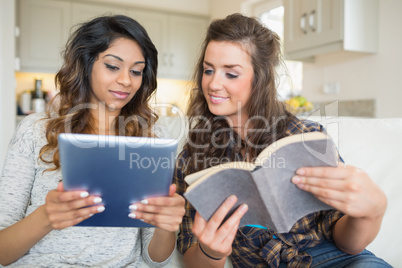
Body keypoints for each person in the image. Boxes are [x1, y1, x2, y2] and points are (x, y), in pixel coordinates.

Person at [173, 13, 391, 267]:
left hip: (332, 259)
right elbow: (191, 255)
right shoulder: (192, 159)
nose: (213, 83)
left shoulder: (305, 136)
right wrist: (212, 251)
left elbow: (348, 244)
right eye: (208, 70)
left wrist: (371, 214)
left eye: (230, 74)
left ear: (260, 78)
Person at [0, 15, 185, 267]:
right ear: (86, 63)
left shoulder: (152, 140)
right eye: (112, 66)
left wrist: (166, 226)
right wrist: (46, 216)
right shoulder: (34, 131)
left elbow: (154, 259)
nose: (126, 80)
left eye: (136, 71)